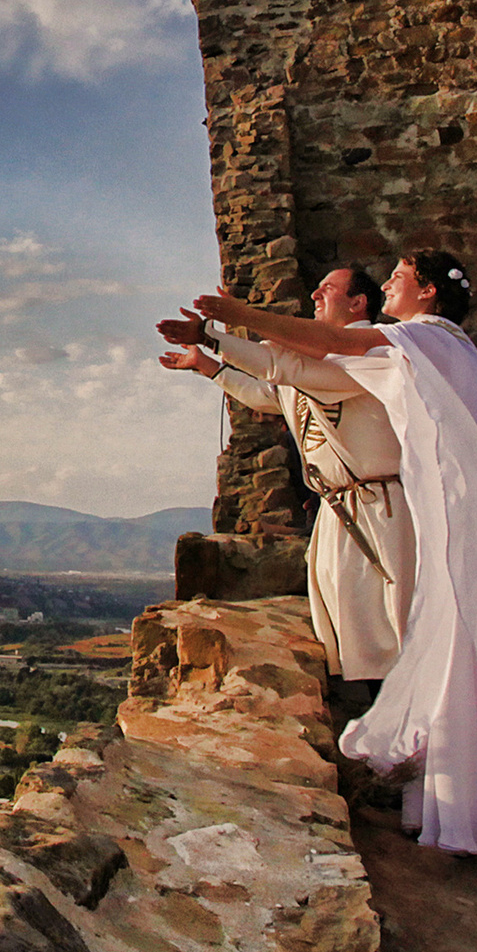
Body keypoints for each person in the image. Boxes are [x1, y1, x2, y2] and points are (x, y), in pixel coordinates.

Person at [192, 251, 477, 908]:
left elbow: (313, 354)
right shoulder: (432, 345)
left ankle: (467, 795)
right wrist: (216, 347)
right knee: (458, 656)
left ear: (424, 291)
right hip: (422, 513)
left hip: (400, 511)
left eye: (397, 276)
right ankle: (475, 799)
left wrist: (233, 319)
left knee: (431, 646)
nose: (388, 282)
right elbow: (287, 376)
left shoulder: (421, 336)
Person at [156, 266, 415, 681]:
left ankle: (408, 735)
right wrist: (207, 363)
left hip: (380, 510)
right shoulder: (319, 362)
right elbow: (268, 394)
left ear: (357, 302)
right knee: (350, 628)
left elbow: (286, 369)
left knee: (387, 628)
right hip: (338, 510)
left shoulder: (371, 357)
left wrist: (216, 335)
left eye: (327, 289)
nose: (314, 294)